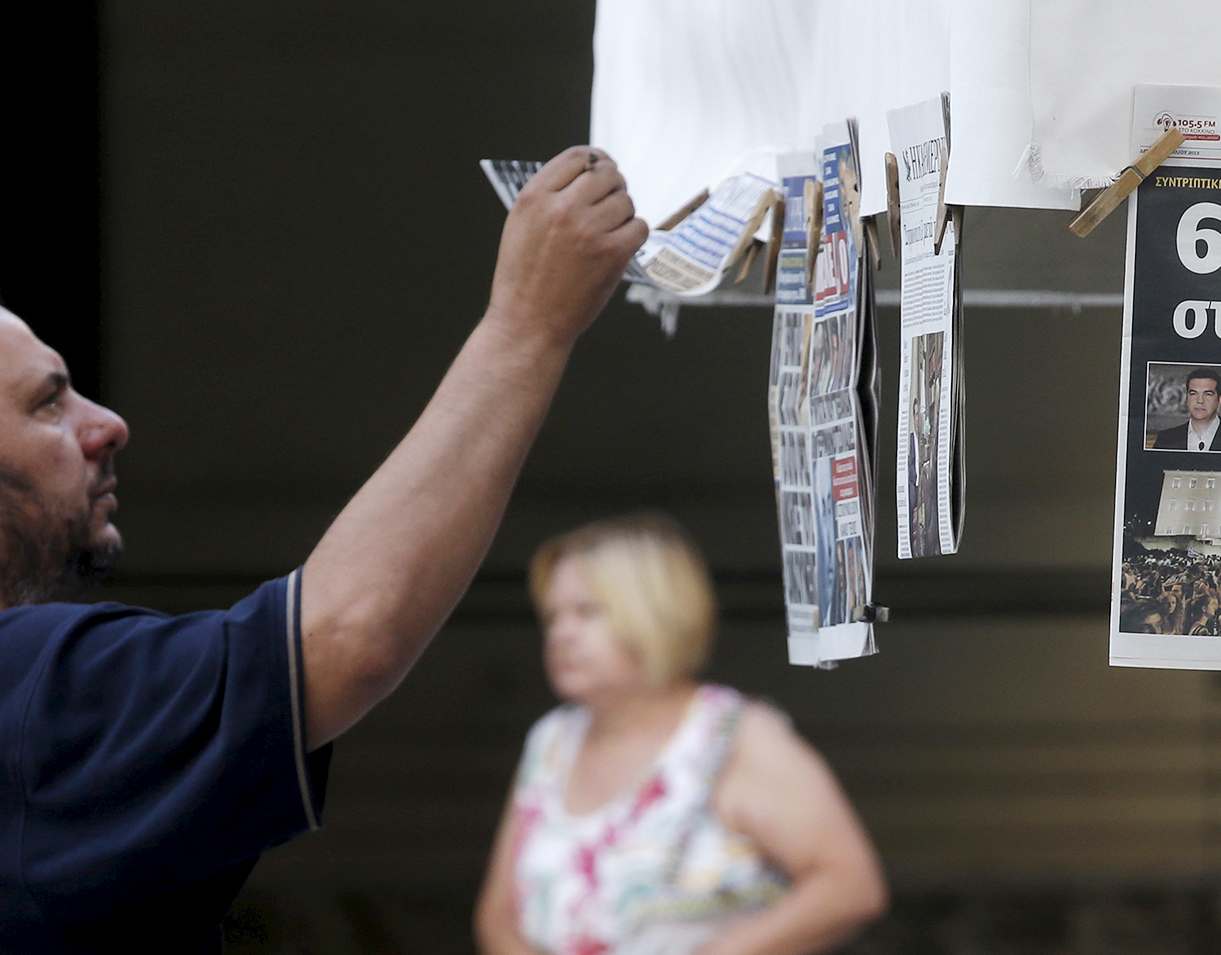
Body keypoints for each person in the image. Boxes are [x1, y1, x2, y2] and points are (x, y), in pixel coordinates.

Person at [0, 145, 646, 952]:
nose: (107, 423)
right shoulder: (22, 687)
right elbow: (341, 637)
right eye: (47, 404)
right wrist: (529, 325)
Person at [476, 515, 887, 955]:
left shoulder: (733, 736)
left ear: (655, 612)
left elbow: (849, 885)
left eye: (586, 612)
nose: (560, 634)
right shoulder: (552, 741)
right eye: (553, 615)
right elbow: (497, 918)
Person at [1152, 367, 1221, 451]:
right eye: (1194, 394)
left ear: (1219, 400)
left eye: (1208, 394)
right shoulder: (1165, 439)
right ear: (1187, 398)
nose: (1200, 400)